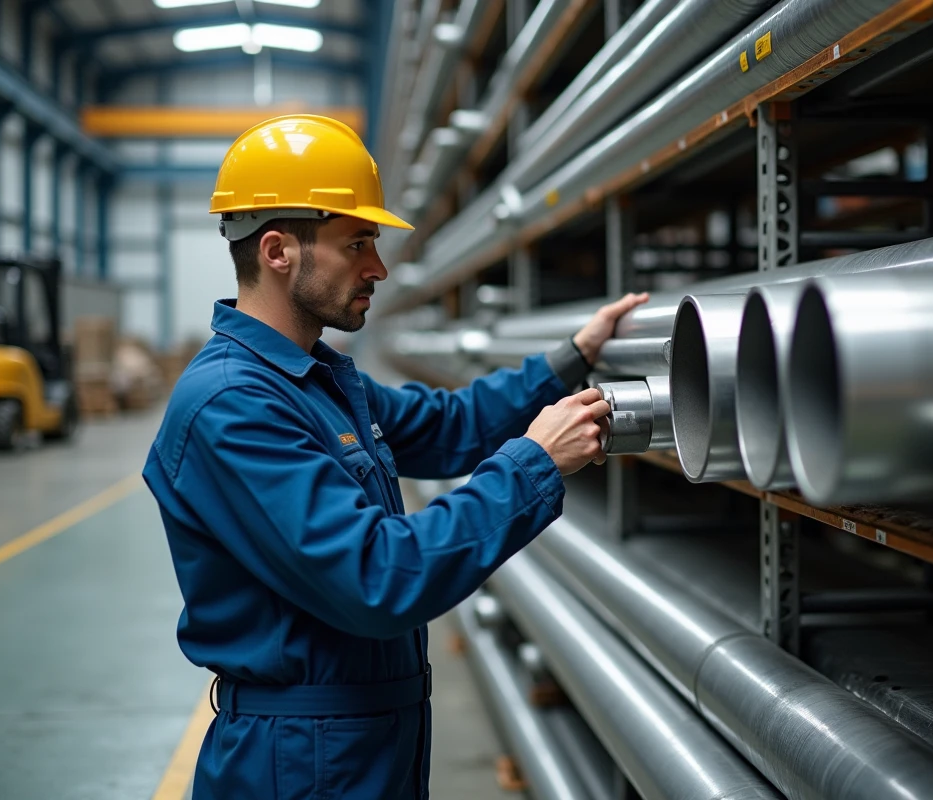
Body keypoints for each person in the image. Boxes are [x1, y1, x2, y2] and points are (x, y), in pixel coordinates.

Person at [141, 113, 649, 799]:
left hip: (358, 744)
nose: (378, 267)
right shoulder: (233, 406)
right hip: (301, 766)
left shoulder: (315, 379)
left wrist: (571, 359)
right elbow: (379, 577)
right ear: (277, 251)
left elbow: (449, 426)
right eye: (357, 243)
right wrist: (535, 462)